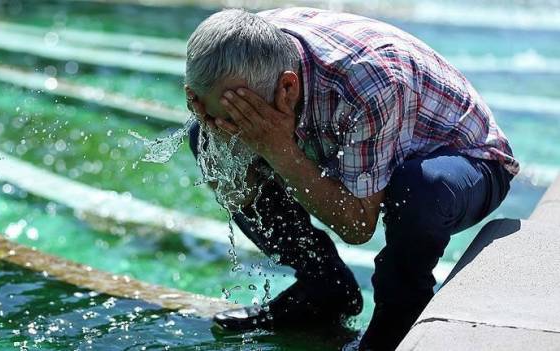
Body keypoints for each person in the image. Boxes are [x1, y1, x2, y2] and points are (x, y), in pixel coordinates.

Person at [183, 7, 518, 350]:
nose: (224, 126)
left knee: (418, 188)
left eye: (238, 118)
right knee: (204, 139)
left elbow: (358, 226)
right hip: (358, 133)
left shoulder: (370, 82)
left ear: (286, 87)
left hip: (469, 164)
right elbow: (234, 179)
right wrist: (218, 137)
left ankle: (399, 317)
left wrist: (278, 149)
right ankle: (324, 288)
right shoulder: (234, 52)